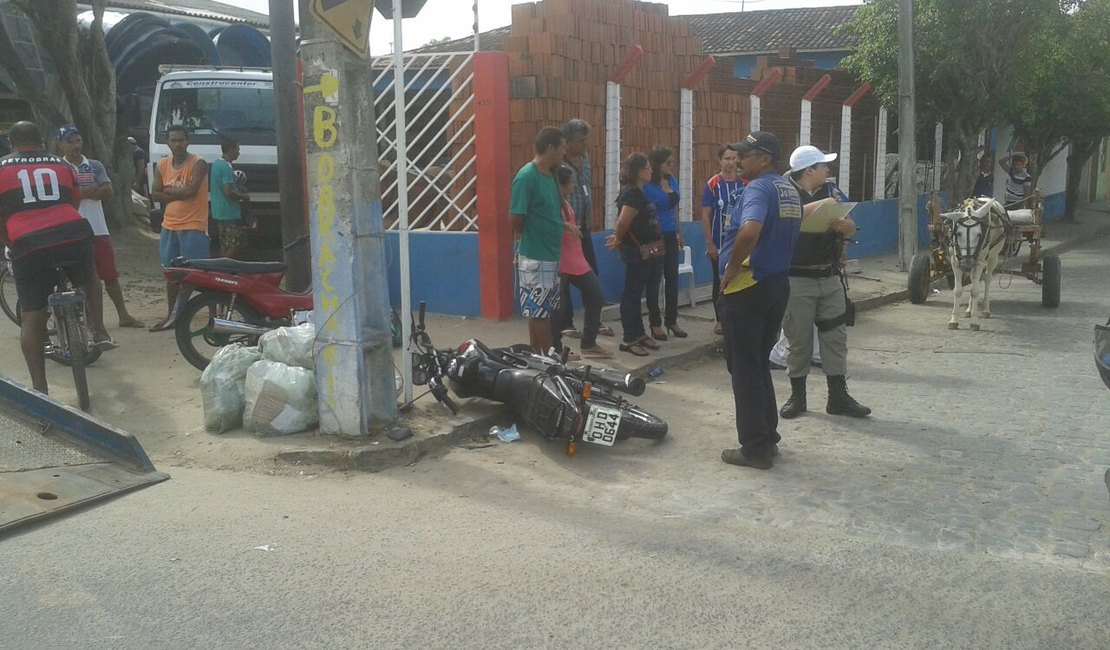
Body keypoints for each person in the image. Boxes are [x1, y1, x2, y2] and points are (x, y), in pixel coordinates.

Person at [0, 121, 114, 394]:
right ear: (41, 140)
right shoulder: (61, 164)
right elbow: (73, 201)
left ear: (11, 143)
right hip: (72, 234)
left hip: (28, 244)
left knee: (32, 315)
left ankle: (41, 388)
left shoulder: (1, 167)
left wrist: (11, 241)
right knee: (89, 278)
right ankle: (98, 329)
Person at [717, 132, 802, 470]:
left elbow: (750, 230)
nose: (738, 160)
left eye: (746, 155)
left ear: (764, 158)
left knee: (744, 367)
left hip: (747, 287)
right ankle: (768, 437)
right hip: (776, 284)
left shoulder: (759, 188)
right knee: (757, 363)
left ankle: (754, 448)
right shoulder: (788, 190)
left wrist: (731, 267)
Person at [777, 145, 870, 422]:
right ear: (809, 170)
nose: (828, 171)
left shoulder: (832, 192)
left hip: (828, 275)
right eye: (823, 166)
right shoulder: (784, 192)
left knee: (835, 337)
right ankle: (798, 396)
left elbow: (851, 224)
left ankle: (838, 396)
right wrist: (821, 208)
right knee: (799, 338)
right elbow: (784, 218)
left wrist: (845, 227)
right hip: (796, 277)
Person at [58, 125, 144, 331]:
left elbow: (107, 189)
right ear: (60, 144)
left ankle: (123, 315)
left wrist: (80, 192)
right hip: (71, 229)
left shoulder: (94, 165)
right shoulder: (58, 167)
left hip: (97, 228)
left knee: (110, 275)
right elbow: (67, 196)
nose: (75, 146)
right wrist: (88, 190)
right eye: (70, 142)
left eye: (77, 141)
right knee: (82, 278)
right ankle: (92, 321)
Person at [510, 126, 567, 355]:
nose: (564, 152)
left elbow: (549, 214)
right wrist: (524, 243)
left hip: (550, 256)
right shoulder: (527, 177)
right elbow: (516, 217)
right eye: (562, 147)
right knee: (539, 315)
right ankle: (549, 360)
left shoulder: (550, 176)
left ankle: (538, 358)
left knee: (541, 312)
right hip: (535, 257)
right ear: (551, 147)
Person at [559, 118, 614, 340]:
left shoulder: (586, 159)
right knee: (563, 280)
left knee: (592, 273)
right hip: (564, 231)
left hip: (584, 228)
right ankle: (566, 322)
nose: (586, 145)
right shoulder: (559, 165)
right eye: (582, 141)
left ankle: (594, 321)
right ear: (569, 142)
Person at [150, 125, 209, 331]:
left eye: (180, 140)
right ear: (168, 142)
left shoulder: (198, 163)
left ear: (187, 141)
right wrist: (177, 192)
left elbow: (190, 192)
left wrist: (167, 190)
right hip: (170, 226)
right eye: (173, 140)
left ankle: (211, 314)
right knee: (171, 273)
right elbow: (154, 194)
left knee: (199, 274)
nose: (177, 144)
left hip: (193, 225)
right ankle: (172, 315)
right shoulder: (163, 164)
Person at [550, 165, 612, 360]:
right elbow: (546, 224)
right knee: (558, 308)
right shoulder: (552, 203)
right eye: (570, 184)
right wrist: (567, 228)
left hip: (575, 258)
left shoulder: (564, 202)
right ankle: (556, 349)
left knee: (596, 296)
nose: (573, 188)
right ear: (561, 185)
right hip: (560, 259)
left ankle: (589, 342)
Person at [605, 153, 664, 357]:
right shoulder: (631, 194)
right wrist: (618, 238)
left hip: (649, 252)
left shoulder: (641, 192)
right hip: (635, 252)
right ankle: (629, 338)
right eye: (647, 167)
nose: (651, 170)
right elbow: (623, 221)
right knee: (631, 294)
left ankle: (640, 334)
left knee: (640, 293)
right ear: (639, 171)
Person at [700, 145, 745, 335]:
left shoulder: (745, 183)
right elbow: (705, 215)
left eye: (734, 158)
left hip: (741, 243)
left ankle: (739, 318)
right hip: (719, 245)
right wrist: (710, 244)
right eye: (727, 158)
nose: (731, 163)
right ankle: (720, 320)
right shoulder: (713, 184)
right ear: (720, 161)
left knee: (741, 280)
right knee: (719, 282)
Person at [643, 146, 687, 340]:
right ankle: (655, 322)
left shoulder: (672, 181)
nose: (672, 166)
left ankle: (672, 320)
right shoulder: (648, 186)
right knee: (654, 279)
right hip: (655, 236)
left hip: (671, 234)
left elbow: (675, 209)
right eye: (668, 163)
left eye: (673, 163)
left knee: (672, 278)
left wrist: (679, 231)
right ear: (658, 165)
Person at [209, 139, 250, 258]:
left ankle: (222, 267)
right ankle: (225, 267)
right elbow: (228, 192)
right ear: (231, 149)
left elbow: (222, 185)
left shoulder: (216, 164)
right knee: (235, 243)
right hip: (229, 212)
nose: (239, 153)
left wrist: (238, 188)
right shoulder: (226, 167)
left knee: (225, 242)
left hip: (218, 211)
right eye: (237, 149)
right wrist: (243, 197)